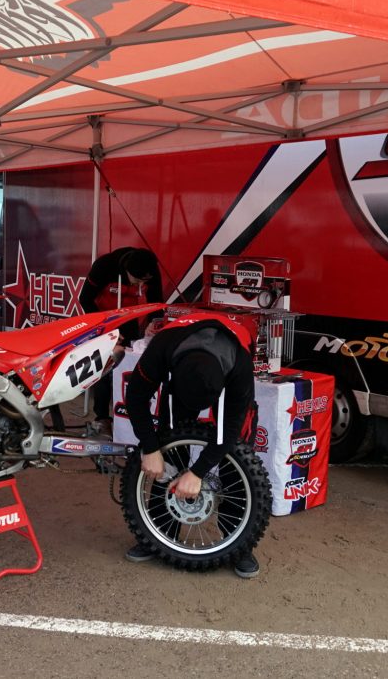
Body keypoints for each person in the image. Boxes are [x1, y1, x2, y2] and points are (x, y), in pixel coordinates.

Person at [123, 314, 260, 579]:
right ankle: (159, 534)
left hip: (226, 368)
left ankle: (239, 545)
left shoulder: (240, 366)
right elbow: (136, 397)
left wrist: (197, 473)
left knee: (238, 456)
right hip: (181, 364)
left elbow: (228, 431)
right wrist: (150, 448)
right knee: (170, 442)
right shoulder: (161, 348)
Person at [78, 247, 163, 435]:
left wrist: (154, 323)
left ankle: (129, 414)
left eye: (144, 281)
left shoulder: (150, 269)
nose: (140, 284)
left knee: (128, 365)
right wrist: (105, 328)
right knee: (104, 368)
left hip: (128, 319)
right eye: (137, 280)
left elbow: (157, 302)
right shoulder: (104, 266)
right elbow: (84, 299)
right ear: (126, 270)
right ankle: (102, 418)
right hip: (102, 319)